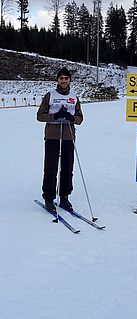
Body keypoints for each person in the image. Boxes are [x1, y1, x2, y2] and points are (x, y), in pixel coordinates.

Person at [37, 66, 83, 212]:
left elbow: (80, 119)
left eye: (66, 78)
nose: (63, 81)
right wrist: (55, 116)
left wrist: (72, 118)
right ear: (57, 80)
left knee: (67, 168)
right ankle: (49, 198)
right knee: (51, 167)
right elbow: (40, 116)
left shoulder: (74, 96)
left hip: (69, 135)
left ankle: (64, 197)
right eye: (61, 78)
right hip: (52, 135)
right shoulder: (50, 95)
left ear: (70, 80)